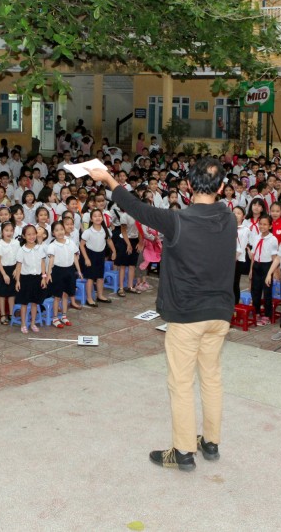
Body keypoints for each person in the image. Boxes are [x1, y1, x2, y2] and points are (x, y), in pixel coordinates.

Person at [89, 157, 235, 473]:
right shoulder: (230, 218)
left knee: (181, 383)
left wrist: (110, 180)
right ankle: (210, 442)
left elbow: (137, 209)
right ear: (222, 187)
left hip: (186, 315)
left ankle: (183, 451)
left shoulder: (177, 221)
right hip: (220, 314)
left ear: (188, 186)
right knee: (211, 377)